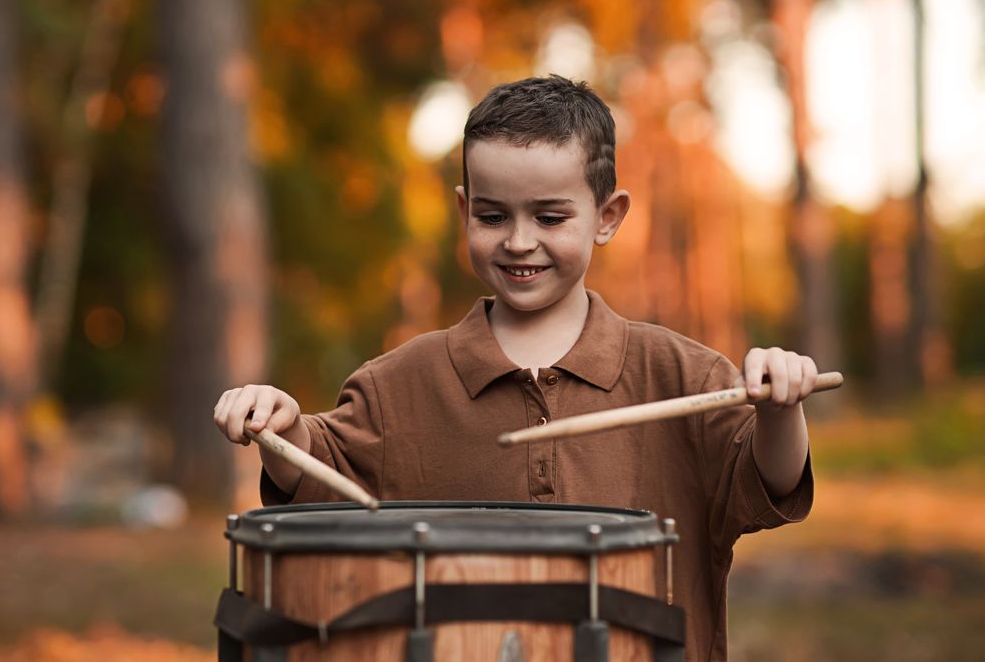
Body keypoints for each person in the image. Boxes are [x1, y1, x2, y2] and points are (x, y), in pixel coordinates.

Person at [213, 75, 818, 661]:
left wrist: (781, 408)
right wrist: (282, 428)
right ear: (463, 209)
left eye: (550, 218)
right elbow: (317, 486)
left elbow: (771, 481)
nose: (519, 241)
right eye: (493, 216)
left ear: (608, 216)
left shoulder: (685, 376)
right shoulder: (394, 385)